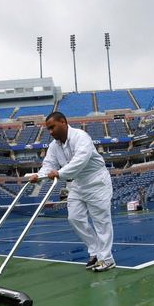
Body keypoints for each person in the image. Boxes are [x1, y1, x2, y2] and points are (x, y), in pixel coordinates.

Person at [30, 112, 116, 272]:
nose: (50, 132)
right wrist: (39, 176)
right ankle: (96, 253)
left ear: (63, 122)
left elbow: (80, 160)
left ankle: (107, 259)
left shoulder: (81, 137)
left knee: (101, 221)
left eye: (52, 127)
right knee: (74, 218)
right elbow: (48, 164)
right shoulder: (54, 146)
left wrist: (60, 173)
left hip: (96, 181)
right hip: (76, 184)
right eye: (48, 129)